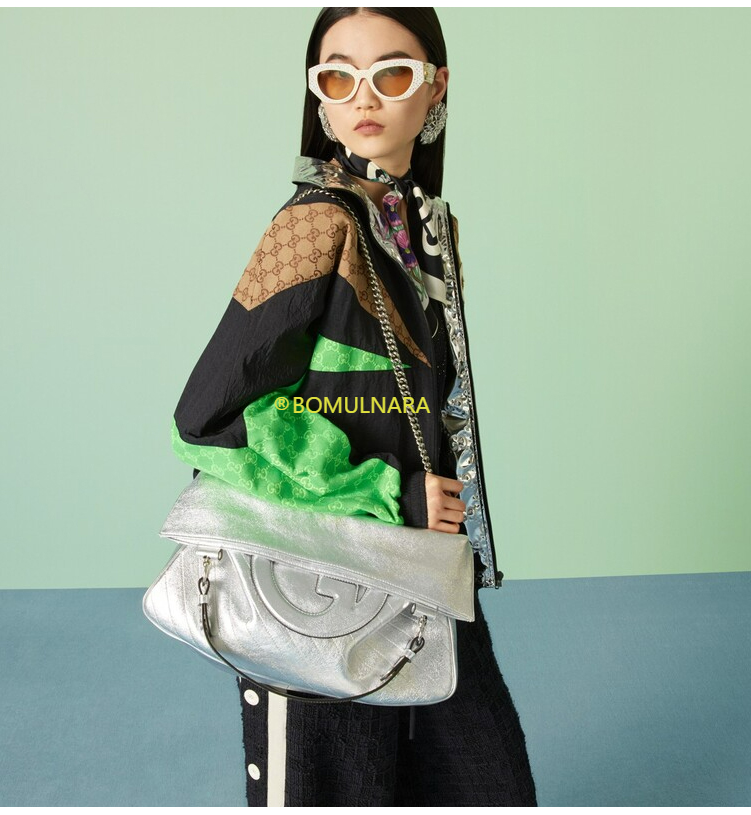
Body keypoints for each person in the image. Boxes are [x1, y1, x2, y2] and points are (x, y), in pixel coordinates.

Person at [170, 7, 537, 807]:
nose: (363, 96)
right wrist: (386, 492)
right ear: (319, 98)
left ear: (436, 87)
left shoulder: (429, 229)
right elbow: (210, 415)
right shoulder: (312, 226)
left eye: (391, 72)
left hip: (428, 568)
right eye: (338, 76)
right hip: (319, 577)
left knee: (485, 781)